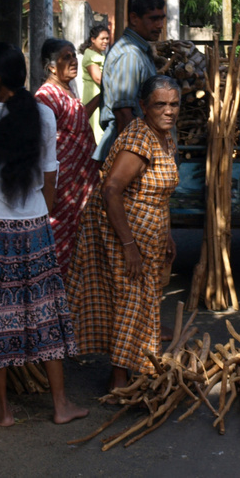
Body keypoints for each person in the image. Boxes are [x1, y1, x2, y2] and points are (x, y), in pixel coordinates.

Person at [0, 43, 87, 427]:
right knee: (46, 311)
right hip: (33, 225)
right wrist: (39, 213)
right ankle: (60, 405)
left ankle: (3, 412)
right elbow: (49, 177)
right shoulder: (43, 115)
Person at [67, 76, 180, 393]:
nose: (168, 111)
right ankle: (118, 381)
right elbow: (111, 190)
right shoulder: (140, 139)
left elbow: (162, 194)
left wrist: (167, 235)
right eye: (160, 104)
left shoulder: (164, 138)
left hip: (149, 232)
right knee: (130, 302)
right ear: (143, 107)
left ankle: (129, 372)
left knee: (142, 302)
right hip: (123, 231)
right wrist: (129, 246)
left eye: (174, 104)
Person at [34, 38, 100, 276]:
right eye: (66, 57)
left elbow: (79, 116)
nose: (73, 61)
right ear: (51, 66)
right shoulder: (46, 96)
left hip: (79, 184)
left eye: (73, 56)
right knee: (57, 240)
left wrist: (103, 96)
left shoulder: (67, 91)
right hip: (60, 188)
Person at [93, 0, 166, 162]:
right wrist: (138, 158)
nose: (160, 25)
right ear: (134, 18)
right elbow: (123, 115)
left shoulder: (139, 51)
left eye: (162, 18)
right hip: (129, 152)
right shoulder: (129, 55)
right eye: (153, 19)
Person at [80, 24, 111, 144]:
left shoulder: (100, 54)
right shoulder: (90, 56)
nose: (105, 42)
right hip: (94, 96)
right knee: (96, 133)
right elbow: (99, 79)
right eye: (102, 38)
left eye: (107, 39)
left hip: (101, 96)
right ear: (93, 39)